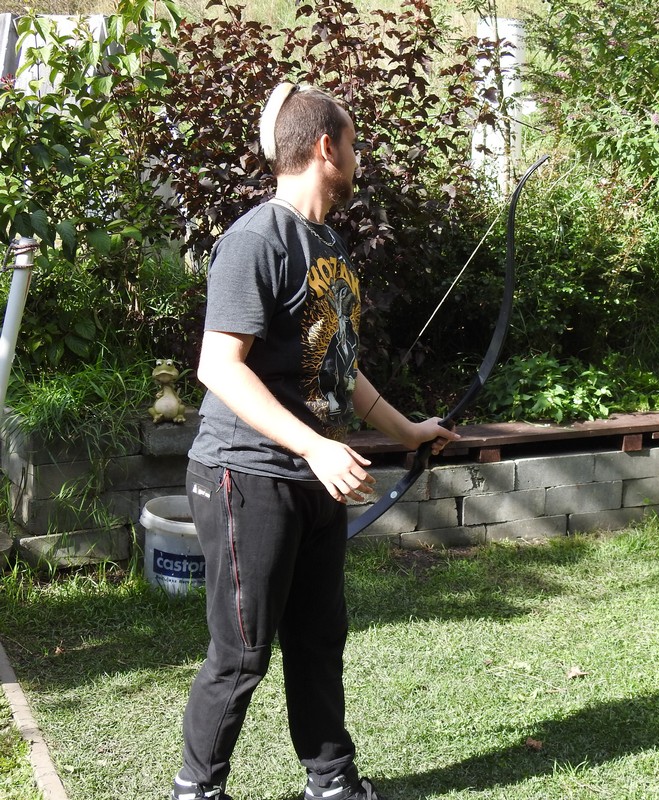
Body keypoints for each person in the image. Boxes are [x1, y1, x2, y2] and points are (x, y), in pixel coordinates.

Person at [172, 83, 458, 800]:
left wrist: (407, 431)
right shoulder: (255, 240)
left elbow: (337, 364)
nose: (359, 157)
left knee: (318, 639)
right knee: (242, 654)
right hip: (246, 474)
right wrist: (315, 447)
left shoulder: (328, 244)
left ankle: (330, 781)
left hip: (311, 475)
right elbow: (218, 367)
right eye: (353, 143)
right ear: (327, 147)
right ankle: (195, 790)